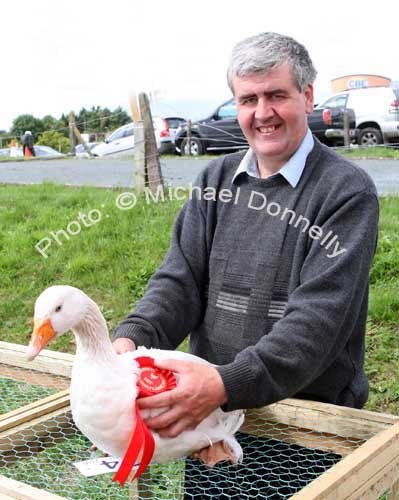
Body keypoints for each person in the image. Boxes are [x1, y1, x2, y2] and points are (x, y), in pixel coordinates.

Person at [112, 32, 378, 491]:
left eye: (276, 95)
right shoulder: (215, 180)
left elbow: (315, 325)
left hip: (307, 426)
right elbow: (181, 281)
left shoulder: (346, 193)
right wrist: (134, 338)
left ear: (307, 95)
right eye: (248, 99)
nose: (262, 113)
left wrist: (224, 383)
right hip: (211, 420)